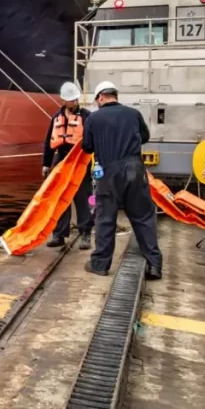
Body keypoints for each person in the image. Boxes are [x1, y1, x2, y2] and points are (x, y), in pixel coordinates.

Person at [80, 81, 163, 279]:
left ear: (100, 98)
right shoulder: (133, 114)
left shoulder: (94, 118)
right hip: (134, 169)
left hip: (108, 172)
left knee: (106, 218)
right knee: (143, 218)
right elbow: (144, 137)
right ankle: (154, 266)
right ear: (115, 95)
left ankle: (100, 264)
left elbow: (87, 147)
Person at [42, 81, 94, 250]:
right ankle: (59, 234)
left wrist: (97, 163)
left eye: (75, 99)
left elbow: (94, 140)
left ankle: (85, 233)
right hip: (61, 161)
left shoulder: (87, 116)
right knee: (60, 198)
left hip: (80, 161)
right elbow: (48, 141)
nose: (74, 102)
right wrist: (46, 164)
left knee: (83, 199)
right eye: (71, 100)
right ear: (63, 100)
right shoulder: (56, 117)